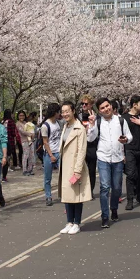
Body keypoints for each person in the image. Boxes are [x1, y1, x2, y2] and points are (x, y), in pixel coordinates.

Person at [87, 97, 132, 228]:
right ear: (99, 111)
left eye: (107, 106)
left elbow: (129, 136)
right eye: (102, 108)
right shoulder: (98, 122)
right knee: (105, 187)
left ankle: (114, 208)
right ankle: (105, 216)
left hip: (118, 158)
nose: (106, 109)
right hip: (103, 158)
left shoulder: (121, 120)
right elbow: (90, 138)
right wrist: (91, 124)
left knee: (116, 188)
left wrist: (126, 139)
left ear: (111, 106)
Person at [58, 101, 91, 235]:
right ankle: (69, 222)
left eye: (67, 111)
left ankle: (77, 222)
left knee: (76, 196)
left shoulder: (79, 128)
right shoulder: (66, 126)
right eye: (63, 111)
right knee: (67, 195)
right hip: (65, 165)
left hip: (75, 165)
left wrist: (77, 170)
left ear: (73, 111)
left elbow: (82, 150)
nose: (65, 114)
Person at [42, 103, 63, 206]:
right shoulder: (45, 125)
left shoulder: (58, 123)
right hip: (49, 154)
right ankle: (48, 196)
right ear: (55, 112)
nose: (60, 114)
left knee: (63, 174)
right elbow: (45, 142)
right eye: (59, 111)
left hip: (59, 152)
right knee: (47, 177)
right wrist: (51, 155)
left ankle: (64, 194)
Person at [79, 94, 98, 199]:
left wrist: (92, 124)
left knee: (91, 170)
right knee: (81, 169)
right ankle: (82, 190)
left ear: (91, 105)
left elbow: (95, 134)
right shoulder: (78, 116)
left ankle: (90, 190)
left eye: (86, 104)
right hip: (81, 145)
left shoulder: (96, 117)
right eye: (82, 103)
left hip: (91, 146)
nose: (84, 106)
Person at [16, 110, 36, 176]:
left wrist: (33, 134)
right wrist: (30, 134)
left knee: (31, 155)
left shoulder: (26, 123)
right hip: (24, 141)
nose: (21, 117)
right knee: (25, 155)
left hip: (31, 141)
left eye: (23, 115)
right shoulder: (18, 124)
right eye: (20, 115)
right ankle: (24, 170)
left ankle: (30, 169)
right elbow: (22, 132)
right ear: (18, 116)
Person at [2, 109, 18, 181]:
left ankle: (6, 167)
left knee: (4, 155)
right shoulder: (11, 122)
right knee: (8, 155)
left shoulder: (2, 121)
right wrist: (15, 139)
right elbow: (13, 132)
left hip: (2, 141)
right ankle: (7, 167)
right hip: (9, 140)